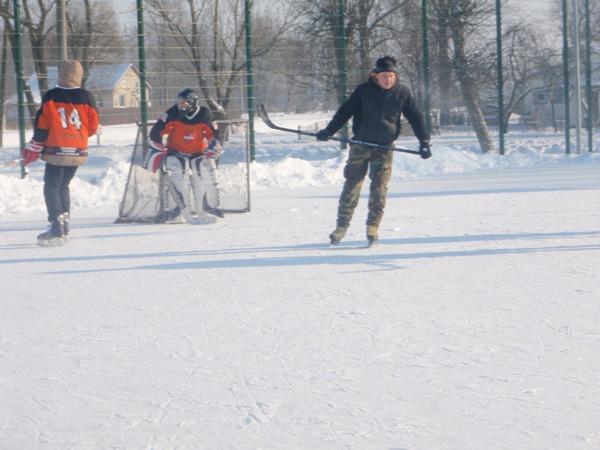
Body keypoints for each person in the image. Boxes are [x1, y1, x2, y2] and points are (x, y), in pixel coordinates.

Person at [316, 55, 432, 245]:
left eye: (391, 76)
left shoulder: (402, 93)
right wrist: (329, 131)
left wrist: (424, 142)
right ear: (375, 75)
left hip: (385, 148)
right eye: (384, 76)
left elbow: (416, 117)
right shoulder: (363, 91)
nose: (388, 80)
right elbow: (345, 112)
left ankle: (373, 227)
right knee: (352, 186)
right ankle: (341, 227)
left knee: (379, 188)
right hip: (361, 146)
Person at [23, 59, 100, 246]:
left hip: (56, 149)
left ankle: (56, 227)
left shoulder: (51, 95)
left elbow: (43, 124)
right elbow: (92, 127)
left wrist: (35, 143)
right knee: (63, 185)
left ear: (61, 74)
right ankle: (64, 224)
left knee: (51, 186)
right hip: (78, 150)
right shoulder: (87, 96)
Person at [148, 88, 223, 222]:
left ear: (193, 102)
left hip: (197, 150)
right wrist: (159, 145)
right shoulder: (172, 113)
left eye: (185, 103)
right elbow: (156, 131)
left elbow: (214, 134)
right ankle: (180, 210)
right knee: (178, 172)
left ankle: (201, 209)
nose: (181, 105)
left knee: (201, 171)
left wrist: (213, 145)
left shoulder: (204, 113)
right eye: (180, 102)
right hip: (175, 150)